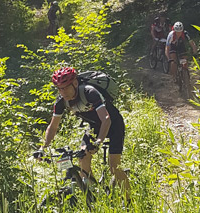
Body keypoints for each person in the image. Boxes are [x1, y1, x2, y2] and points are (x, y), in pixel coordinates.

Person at [36, 67, 131, 202]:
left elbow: (106, 119)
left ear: (75, 83)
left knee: (114, 167)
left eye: (66, 87)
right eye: (60, 89)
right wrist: (43, 148)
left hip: (114, 125)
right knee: (83, 158)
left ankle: (129, 202)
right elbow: (53, 127)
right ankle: (94, 197)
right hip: (94, 128)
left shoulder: (89, 92)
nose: (63, 92)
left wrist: (98, 142)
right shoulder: (61, 101)